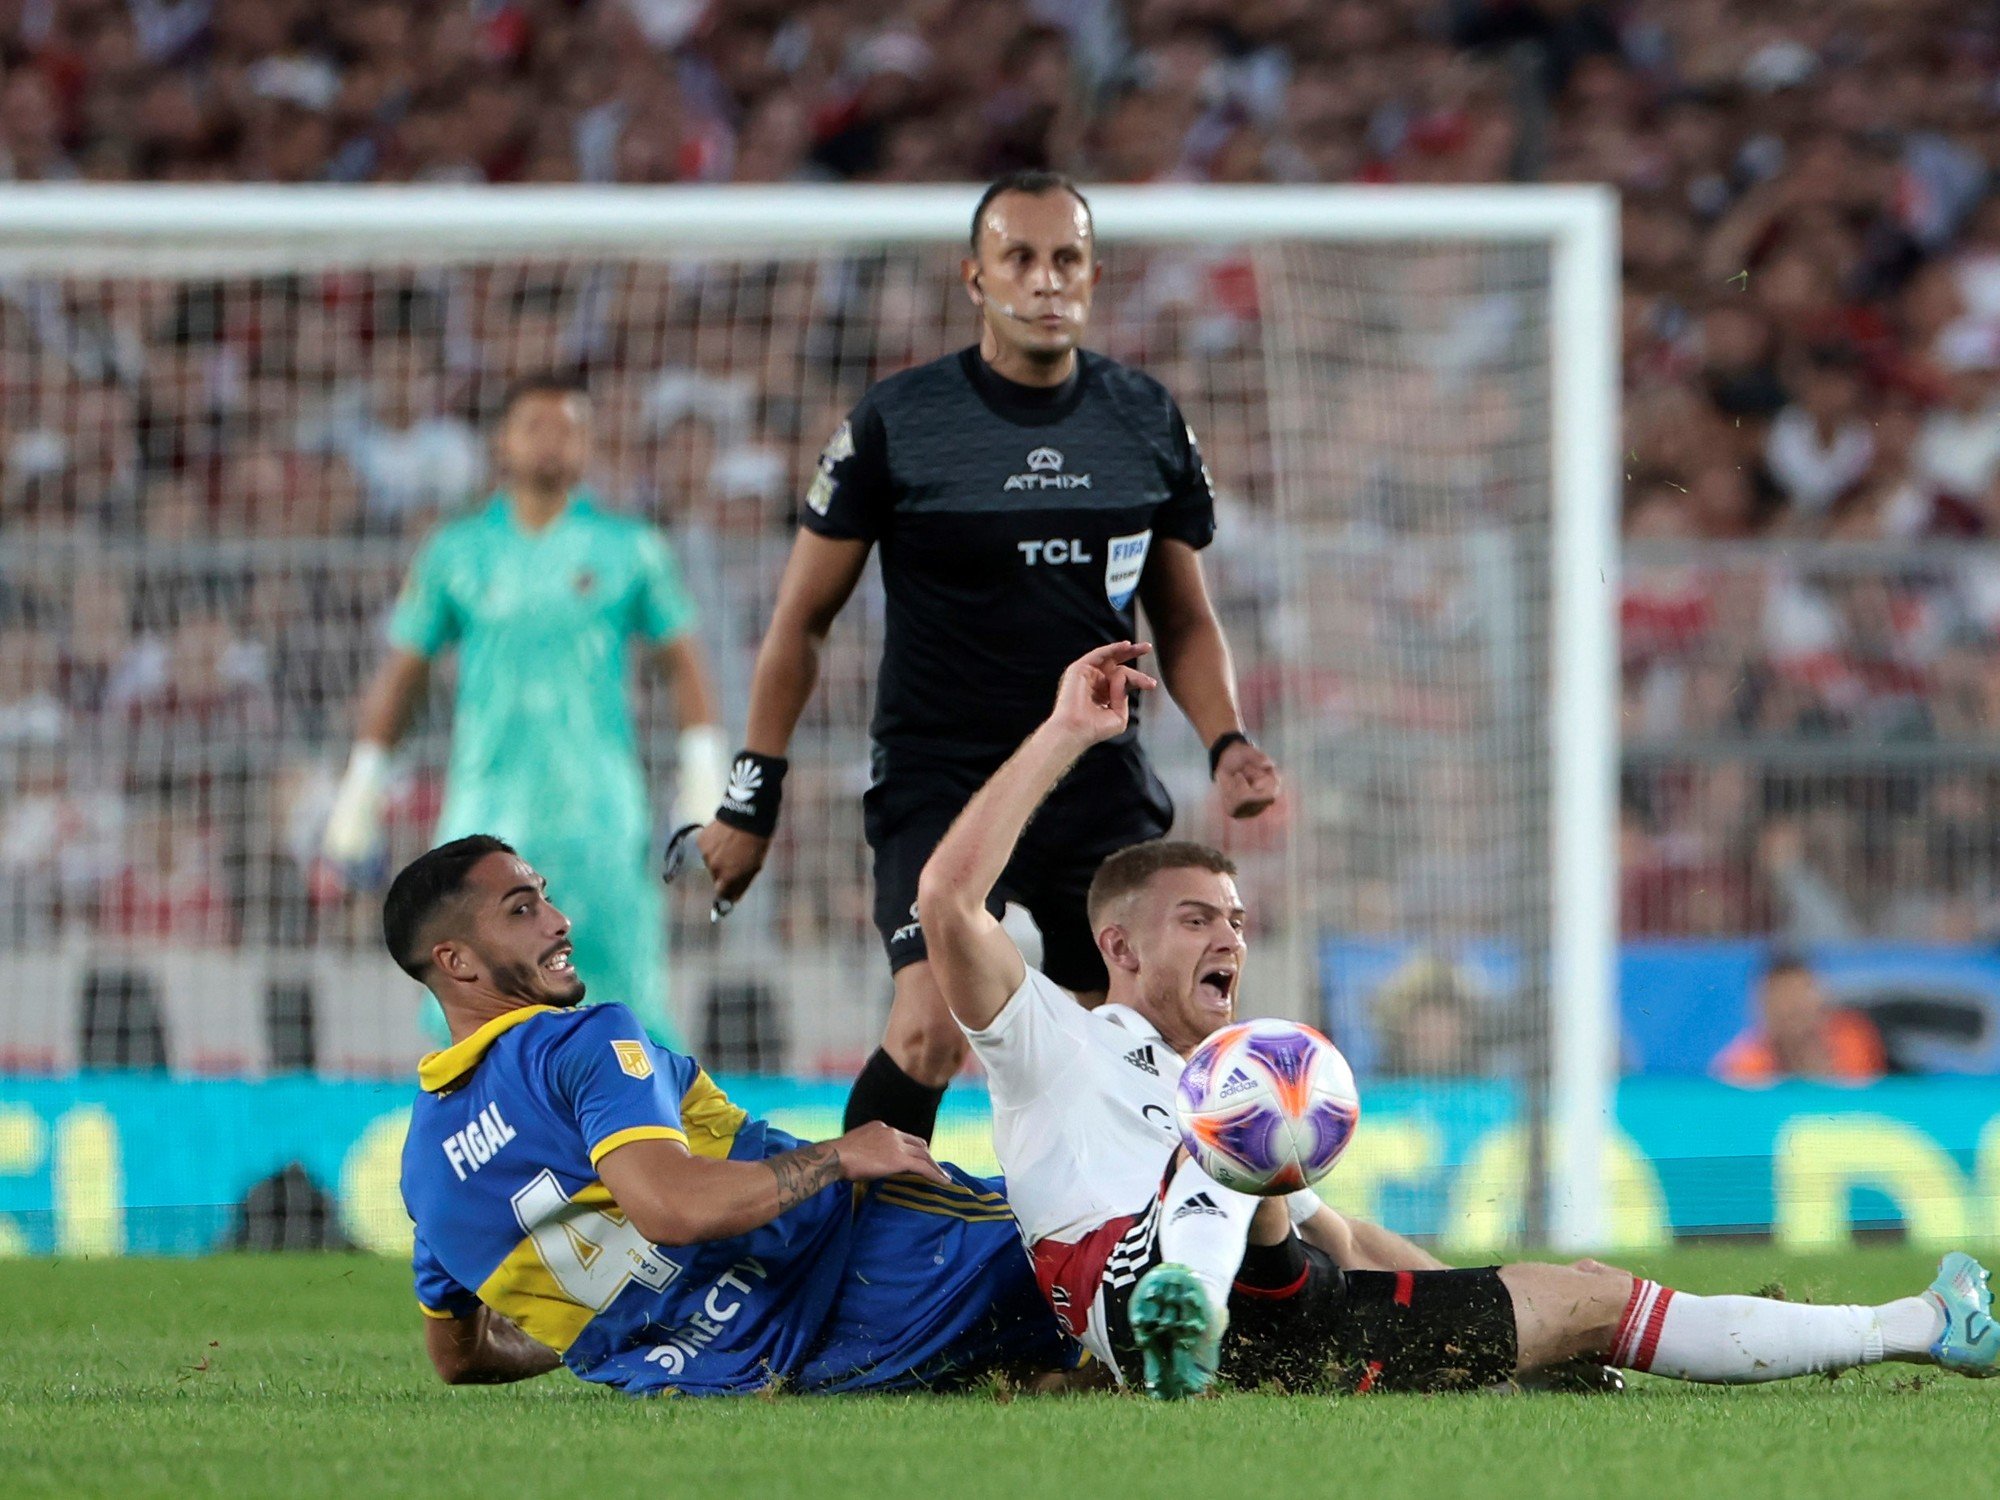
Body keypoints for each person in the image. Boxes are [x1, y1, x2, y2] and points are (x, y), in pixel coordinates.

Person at [916, 641, 1999, 1398]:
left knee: (1586, 1298)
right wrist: (1066, 730)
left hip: (1283, 1328)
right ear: (1119, 948)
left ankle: (1922, 1326)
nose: (1229, 941)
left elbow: (1345, 1243)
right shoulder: (1055, 1040)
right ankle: (1173, 1330)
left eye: (1238, 920)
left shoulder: (1246, 1097)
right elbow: (945, 904)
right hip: (1123, 1288)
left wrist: (1488, 1311)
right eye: (1196, 919)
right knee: (1250, 1091)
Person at [696, 170, 1280, 1139]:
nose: (1045, 280)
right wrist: (749, 798)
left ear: (1092, 276)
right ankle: (857, 1261)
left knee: (1125, 1038)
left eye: (1066, 260)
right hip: (942, 776)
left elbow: (1181, 617)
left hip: (1096, 779)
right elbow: (799, 619)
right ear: (975, 277)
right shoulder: (899, 423)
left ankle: (1113, 1270)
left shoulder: (1142, 420)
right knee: (928, 1029)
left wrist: (1226, 740)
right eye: (1020, 258)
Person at [388, 835, 1072, 1396]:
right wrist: (840, 1154)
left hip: (796, 1375)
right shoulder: (577, 1042)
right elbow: (670, 1206)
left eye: (544, 898)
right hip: (874, 1268)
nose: (558, 920)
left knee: (1064, 1350)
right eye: (520, 909)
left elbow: (461, 1357)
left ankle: (1052, 1373)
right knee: (1106, 1240)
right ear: (456, 961)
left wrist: (603, 1340)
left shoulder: (425, 1170)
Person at [325, 374, 728, 1045]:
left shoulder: (629, 549)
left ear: (590, 444)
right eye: (536, 425)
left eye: (569, 426)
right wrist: (360, 791)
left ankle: (642, 1143)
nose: (553, 439)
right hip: (486, 818)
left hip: (600, 818)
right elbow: (404, 675)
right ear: (503, 443)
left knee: (623, 1009)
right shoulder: (457, 553)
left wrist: (705, 780)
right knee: (474, 1010)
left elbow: (683, 661)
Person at [1714, 953, 1886, 1084]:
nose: (1793, 1008)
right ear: (1763, 1006)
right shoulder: (1745, 1064)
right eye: (1782, 998)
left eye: (1800, 996)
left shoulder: (1853, 1041)